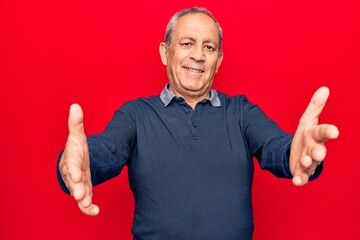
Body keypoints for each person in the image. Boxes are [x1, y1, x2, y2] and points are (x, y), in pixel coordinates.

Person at [57, 7, 339, 240]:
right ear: (165, 53)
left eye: (209, 47)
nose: (199, 55)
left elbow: (276, 146)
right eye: (187, 43)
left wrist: (298, 154)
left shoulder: (241, 112)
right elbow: (107, 149)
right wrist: (76, 162)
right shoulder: (136, 114)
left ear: (218, 61)